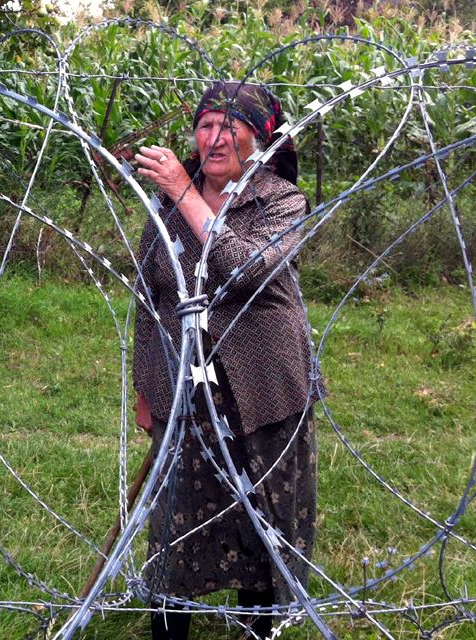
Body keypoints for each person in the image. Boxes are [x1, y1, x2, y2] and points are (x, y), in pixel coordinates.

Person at [130, 81, 323, 640]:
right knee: (176, 517)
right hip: (184, 380)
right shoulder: (164, 204)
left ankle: (257, 625)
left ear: (259, 138)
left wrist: (185, 193)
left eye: (228, 126)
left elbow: (248, 269)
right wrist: (146, 388)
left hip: (263, 386)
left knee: (260, 513)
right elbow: (148, 297)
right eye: (205, 125)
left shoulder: (279, 200)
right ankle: (170, 627)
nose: (213, 139)